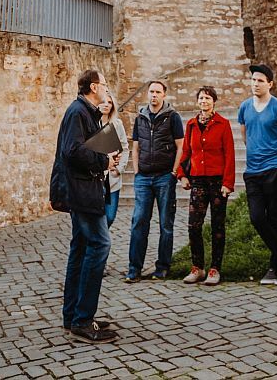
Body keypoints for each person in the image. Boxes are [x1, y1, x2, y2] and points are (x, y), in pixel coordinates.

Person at [55, 68, 116, 343]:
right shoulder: (78, 112)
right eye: (103, 84)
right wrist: (104, 161)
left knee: (80, 249)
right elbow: (72, 151)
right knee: (100, 245)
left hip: (85, 190)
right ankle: (82, 320)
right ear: (93, 87)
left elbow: (82, 147)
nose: (105, 88)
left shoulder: (87, 113)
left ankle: (75, 316)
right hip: (82, 192)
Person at [238, 64, 277, 285]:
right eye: (253, 79)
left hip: (274, 168)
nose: (255, 83)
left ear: (270, 84)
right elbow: (246, 137)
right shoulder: (244, 107)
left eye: (260, 80)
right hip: (253, 171)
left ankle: (276, 266)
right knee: (257, 217)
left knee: (274, 217)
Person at [125, 79, 184, 282]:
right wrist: (136, 171)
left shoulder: (172, 116)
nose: (154, 95)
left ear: (164, 95)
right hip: (143, 178)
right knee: (139, 221)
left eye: (158, 92)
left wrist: (174, 172)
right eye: (151, 91)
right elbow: (136, 146)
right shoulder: (140, 117)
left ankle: (162, 267)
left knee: (166, 224)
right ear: (147, 94)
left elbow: (181, 146)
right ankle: (134, 269)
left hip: (164, 177)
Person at [178, 85, 236, 287]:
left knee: (217, 227)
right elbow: (186, 151)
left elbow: (229, 154)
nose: (204, 101)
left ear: (214, 101)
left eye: (208, 98)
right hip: (198, 181)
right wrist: (181, 175)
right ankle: (198, 267)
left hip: (218, 181)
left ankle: (215, 269)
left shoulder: (223, 124)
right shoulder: (192, 125)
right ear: (197, 101)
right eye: (201, 98)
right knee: (194, 225)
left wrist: (228, 183)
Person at [100, 93, 129, 229]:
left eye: (110, 102)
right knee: (96, 219)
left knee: (110, 217)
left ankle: (99, 244)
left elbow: (124, 148)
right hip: (96, 179)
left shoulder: (117, 124)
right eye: (104, 101)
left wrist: (119, 169)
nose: (106, 104)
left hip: (112, 180)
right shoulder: (92, 123)